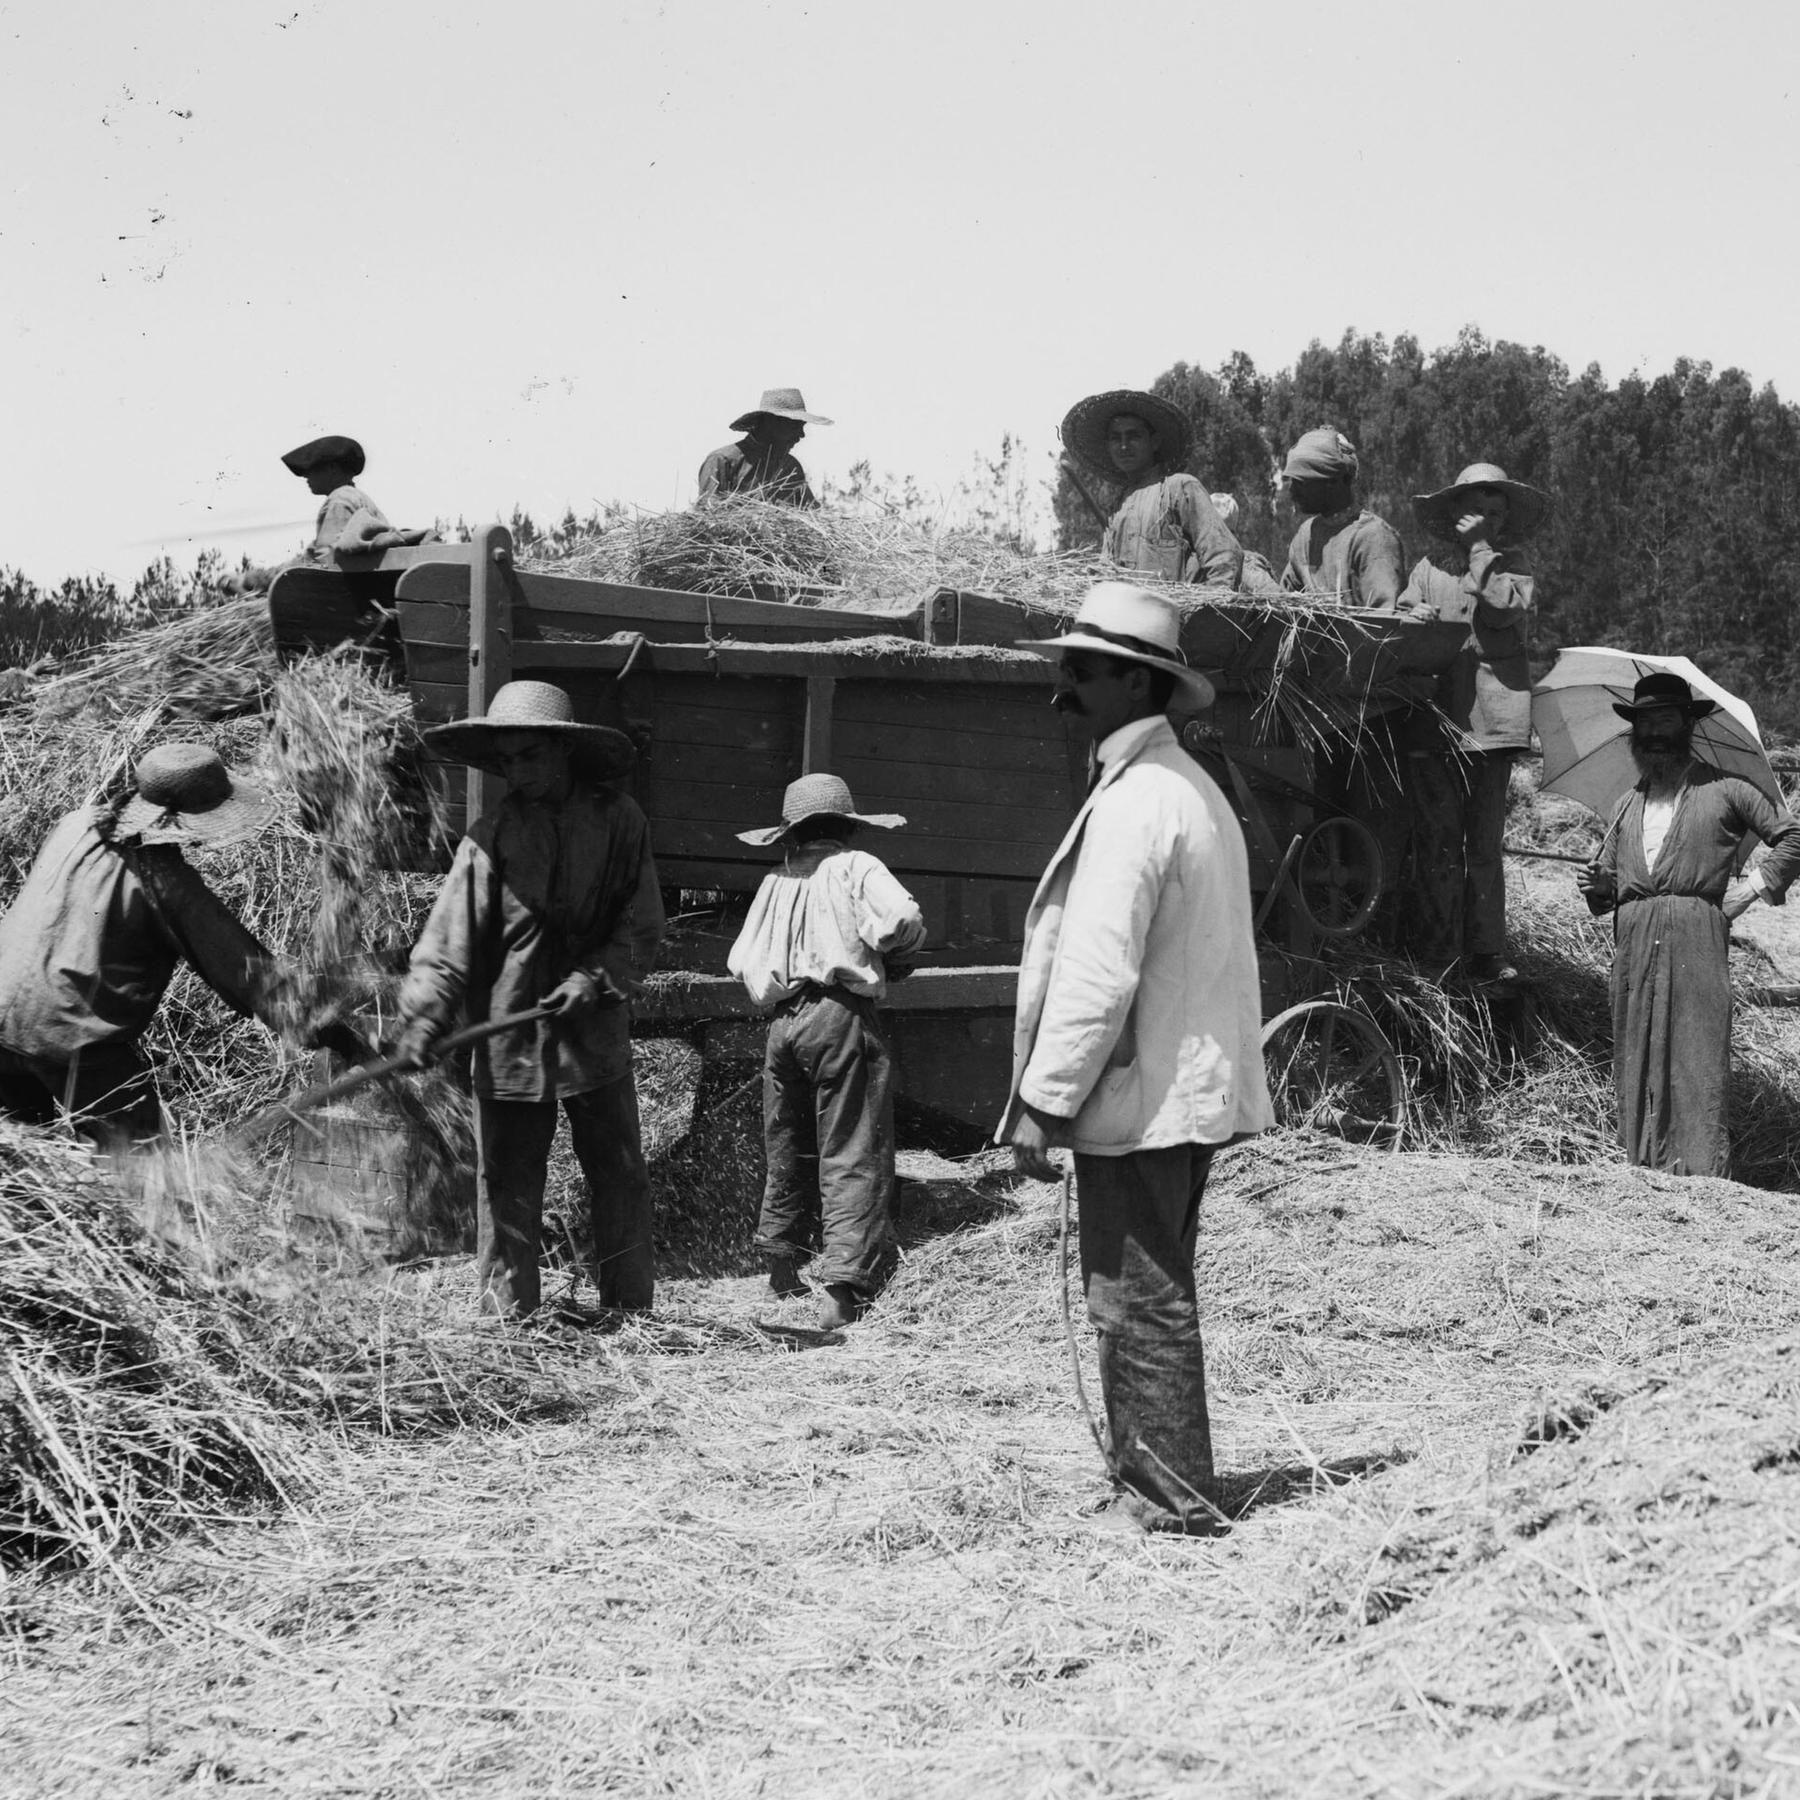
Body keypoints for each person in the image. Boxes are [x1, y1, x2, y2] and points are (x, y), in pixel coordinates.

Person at [1000, 582, 1273, 1534]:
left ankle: (1171, 1501)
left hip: (1151, 1093)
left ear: (1135, 683)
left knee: (1136, 1297)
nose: (1064, 687)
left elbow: (1098, 971)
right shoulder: (1179, 786)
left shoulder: (1140, 800)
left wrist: (1045, 1100)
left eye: (1081, 670)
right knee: (1147, 1288)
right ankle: (1151, 1482)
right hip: (1176, 1087)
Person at [394, 680, 665, 1318]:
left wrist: (596, 978)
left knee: (620, 1174)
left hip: (594, 1037)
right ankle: (508, 1321)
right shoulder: (490, 838)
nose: (516, 772)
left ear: (564, 751)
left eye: (530, 756)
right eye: (507, 760)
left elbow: (641, 926)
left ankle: (629, 1312)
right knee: (508, 1188)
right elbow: (446, 946)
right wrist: (424, 1019)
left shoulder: (620, 821)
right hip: (510, 1041)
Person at [0, 743, 364, 1149]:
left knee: (27, 1151)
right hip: (69, 1038)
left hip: (3, 1014)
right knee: (140, 1162)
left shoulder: (76, 823)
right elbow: (249, 974)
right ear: (190, 819)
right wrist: (336, 1034)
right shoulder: (167, 883)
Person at [1579, 673, 1800, 1177]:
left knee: (1697, 1047)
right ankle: (1642, 1169)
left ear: (1687, 725)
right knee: (1635, 1047)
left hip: (1697, 931)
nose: (1655, 732)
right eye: (1645, 722)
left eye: (1665, 719)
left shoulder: (1727, 789)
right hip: (1634, 941)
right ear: (1634, 733)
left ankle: (1700, 1175)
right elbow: (1607, 894)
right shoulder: (1625, 804)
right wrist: (1599, 886)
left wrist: (1753, 887)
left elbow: (1793, 837)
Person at [727, 773, 926, 1330]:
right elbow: (902, 919)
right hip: (839, 1015)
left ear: (792, 833)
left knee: (787, 1142)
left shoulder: (776, 879)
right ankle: (841, 1290)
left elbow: (741, 961)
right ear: (847, 827)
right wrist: (895, 955)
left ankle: (781, 1270)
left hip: (783, 1023)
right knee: (853, 1144)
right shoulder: (856, 866)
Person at [1399, 461, 1548, 978]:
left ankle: (1487, 950)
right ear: (1454, 514)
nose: (1484, 518)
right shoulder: (1429, 568)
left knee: (1482, 845)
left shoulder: (1513, 567)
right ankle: (1440, 952)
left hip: (1492, 726)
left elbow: (1503, 607)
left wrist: (1481, 548)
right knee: (1438, 842)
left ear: (1504, 522)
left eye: (1494, 513)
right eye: (1474, 510)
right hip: (1436, 722)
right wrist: (1412, 614)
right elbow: (1403, 615)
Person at [1060, 388, 1280, 595]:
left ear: (1154, 442)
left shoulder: (1180, 489)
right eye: (1116, 438)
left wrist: (1209, 607)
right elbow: (1108, 568)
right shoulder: (1119, 506)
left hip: (1178, 617)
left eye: (1133, 436)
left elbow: (1223, 554)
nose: (1124, 446)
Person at [224, 435, 392, 593]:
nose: (305, 476)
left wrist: (249, 581)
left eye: (312, 468)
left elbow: (323, 565)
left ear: (332, 469)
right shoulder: (357, 498)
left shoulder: (340, 500)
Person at [1279, 428, 1404, 608]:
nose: (1292, 492)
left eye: (1301, 482)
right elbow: (1284, 603)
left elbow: (1384, 616)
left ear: (1332, 481)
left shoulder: (1373, 538)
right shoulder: (1305, 536)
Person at [697, 388, 830, 507]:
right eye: (795, 426)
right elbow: (709, 514)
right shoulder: (722, 461)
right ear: (771, 422)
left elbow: (811, 514)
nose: (801, 434)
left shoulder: (790, 467)